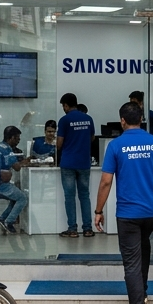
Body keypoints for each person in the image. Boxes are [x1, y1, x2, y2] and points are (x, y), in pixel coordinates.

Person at [94, 101, 153, 304]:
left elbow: (106, 181)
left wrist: (98, 210)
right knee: (143, 251)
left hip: (128, 215)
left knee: (131, 263)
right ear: (141, 119)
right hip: (152, 212)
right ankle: (143, 293)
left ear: (122, 121)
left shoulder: (115, 146)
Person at [56, 93, 96, 238]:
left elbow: (59, 144)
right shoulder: (88, 119)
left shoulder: (64, 120)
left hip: (68, 163)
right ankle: (88, 229)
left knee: (69, 196)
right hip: (84, 162)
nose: (63, 109)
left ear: (66, 105)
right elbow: (92, 138)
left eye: (63, 106)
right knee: (84, 195)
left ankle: (72, 229)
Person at [0, 125, 30, 233]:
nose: (18, 141)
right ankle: (9, 222)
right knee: (22, 198)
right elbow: (17, 168)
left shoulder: (0, 146)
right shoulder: (7, 150)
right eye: (17, 138)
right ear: (11, 138)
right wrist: (26, 161)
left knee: (16, 197)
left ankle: (2, 218)